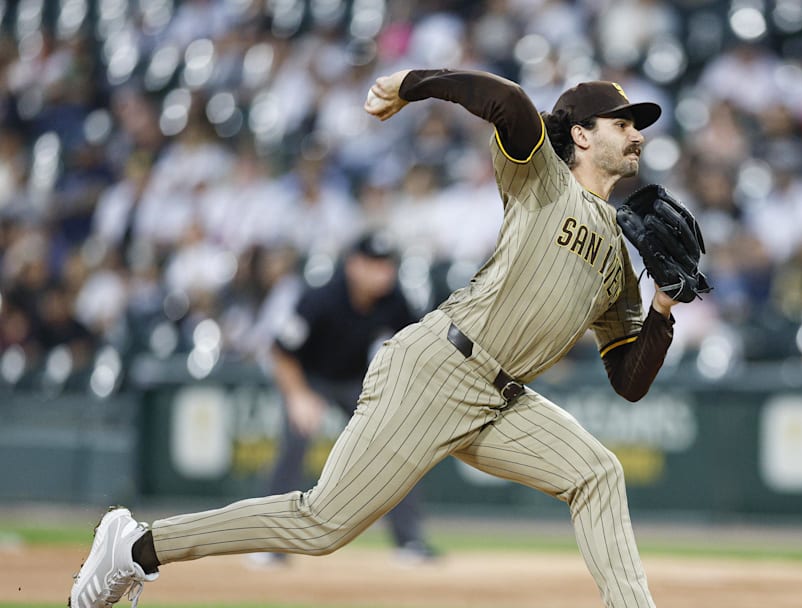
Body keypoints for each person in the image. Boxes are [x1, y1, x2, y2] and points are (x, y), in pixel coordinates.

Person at [70, 68, 685, 608]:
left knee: (597, 473)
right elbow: (509, 100)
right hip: (441, 367)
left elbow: (628, 382)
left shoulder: (620, 261)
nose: (637, 133)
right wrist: (410, 84)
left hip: (503, 400)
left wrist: (661, 307)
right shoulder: (544, 180)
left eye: (639, 125)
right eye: (623, 122)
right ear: (581, 134)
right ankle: (137, 546)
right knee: (321, 524)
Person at [253, 233, 436, 566]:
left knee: (392, 446)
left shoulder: (394, 300)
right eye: (375, 265)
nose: (383, 273)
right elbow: (281, 351)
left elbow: (417, 344)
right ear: (354, 266)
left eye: (387, 265)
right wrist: (297, 397)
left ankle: (409, 541)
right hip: (309, 379)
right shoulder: (322, 298)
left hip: (356, 381)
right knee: (293, 448)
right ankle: (271, 545)